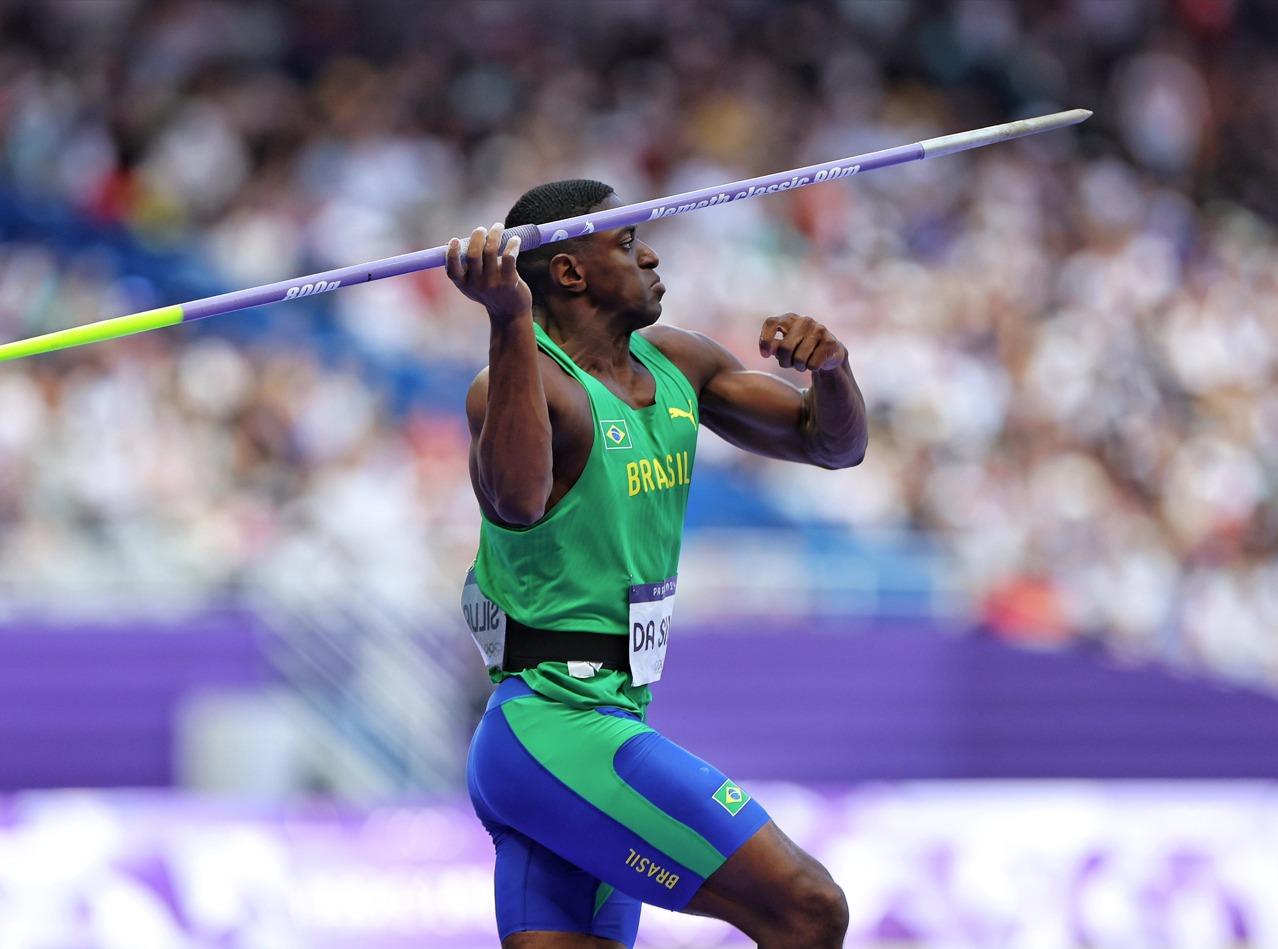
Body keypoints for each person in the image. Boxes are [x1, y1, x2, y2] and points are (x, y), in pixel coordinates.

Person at [450, 179, 867, 949]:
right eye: (628, 243)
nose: (652, 254)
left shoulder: (677, 362)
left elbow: (832, 444)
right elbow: (515, 499)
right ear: (571, 273)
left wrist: (833, 370)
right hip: (553, 726)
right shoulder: (522, 382)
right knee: (810, 908)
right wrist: (508, 317)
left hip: (612, 712)